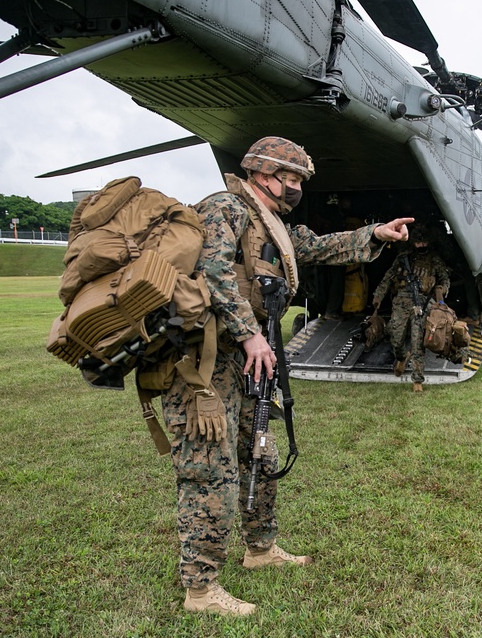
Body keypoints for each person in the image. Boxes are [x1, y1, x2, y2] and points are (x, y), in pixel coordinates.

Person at [162, 136, 413, 615]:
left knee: (260, 453)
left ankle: (260, 549)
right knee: (210, 470)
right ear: (260, 173)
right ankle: (200, 589)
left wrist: (375, 234)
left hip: (242, 363)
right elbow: (212, 273)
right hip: (205, 364)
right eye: (289, 177)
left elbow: (317, 248)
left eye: (300, 180)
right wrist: (251, 334)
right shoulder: (227, 208)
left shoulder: (271, 225)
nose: (295, 187)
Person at [371, 224, 450, 393]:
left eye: (424, 243)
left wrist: (440, 291)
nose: (421, 246)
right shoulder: (403, 258)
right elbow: (388, 277)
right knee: (395, 336)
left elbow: (445, 280)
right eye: (418, 243)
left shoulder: (434, 260)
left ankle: (417, 380)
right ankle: (401, 357)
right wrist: (378, 296)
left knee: (417, 342)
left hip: (422, 303)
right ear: (412, 242)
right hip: (401, 302)